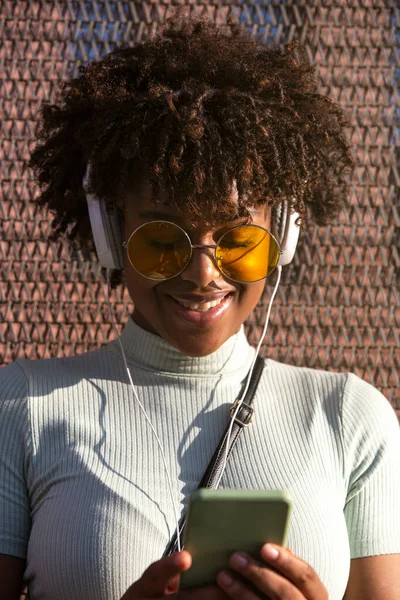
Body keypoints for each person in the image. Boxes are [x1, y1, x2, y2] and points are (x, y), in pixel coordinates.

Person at [1, 15, 399, 600]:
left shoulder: (350, 420)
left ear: (282, 240)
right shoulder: (19, 410)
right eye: (163, 240)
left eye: (238, 241)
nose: (202, 274)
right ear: (110, 235)